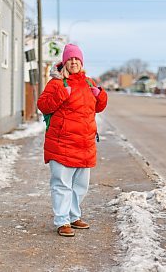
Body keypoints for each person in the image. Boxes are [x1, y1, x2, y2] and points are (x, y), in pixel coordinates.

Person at [37, 44, 108, 237]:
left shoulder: (89, 82)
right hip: (62, 143)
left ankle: (74, 216)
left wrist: (100, 95)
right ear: (65, 62)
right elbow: (42, 105)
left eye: (77, 59)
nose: (74, 62)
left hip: (85, 143)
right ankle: (62, 220)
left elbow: (97, 108)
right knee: (61, 184)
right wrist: (61, 95)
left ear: (81, 62)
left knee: (80, 186)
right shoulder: (57, 83)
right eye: (70, 59)